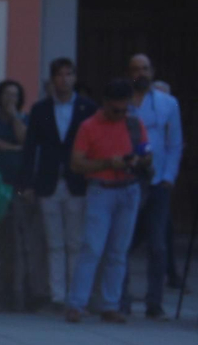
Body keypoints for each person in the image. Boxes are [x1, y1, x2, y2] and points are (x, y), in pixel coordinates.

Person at [67, 79, 151, 323]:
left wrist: (138, 161)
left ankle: (110, 304)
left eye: (125, 110)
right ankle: (77, 303)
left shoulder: (134, 124)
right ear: (105, 105)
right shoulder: (89, 126)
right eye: (116, 110)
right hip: (101, 189)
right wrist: (106, 163)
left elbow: (147, 154)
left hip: (128, 189)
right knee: (92, 247)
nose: (121, 114)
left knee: (119, 251)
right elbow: (76, 163)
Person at [21, 58, 95, 311]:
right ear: (52, 79)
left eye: (69, 74)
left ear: (75, 78)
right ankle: (57, 296)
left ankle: (76, 295)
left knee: (75, 242)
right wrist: (26, 185)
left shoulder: (87, 108)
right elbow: (30, 149)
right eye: (60, 75)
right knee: (54, 244)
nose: (64, 79)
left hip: (76, 180)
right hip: (49, 181)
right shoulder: (41, 109)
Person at [123, 53, 182, 319]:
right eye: (136, 69)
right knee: (123, 243)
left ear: (152, 71)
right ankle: (120, 299)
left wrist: (169, 176)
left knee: (158, 245)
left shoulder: (168, 103)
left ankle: (154, 302)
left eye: (145, 68)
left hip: (157, 181)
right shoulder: (122, 103)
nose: (140, 73)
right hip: (128, 180)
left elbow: (174, 143)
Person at [0, 80, 47, 311]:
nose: (10, 98)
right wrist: (12, 148)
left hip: (20, 186)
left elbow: (26, 140)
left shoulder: (25, 119)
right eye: (6, 94)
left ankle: (23, 292)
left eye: (15, 94)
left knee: (22, 242)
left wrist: (14, 117)